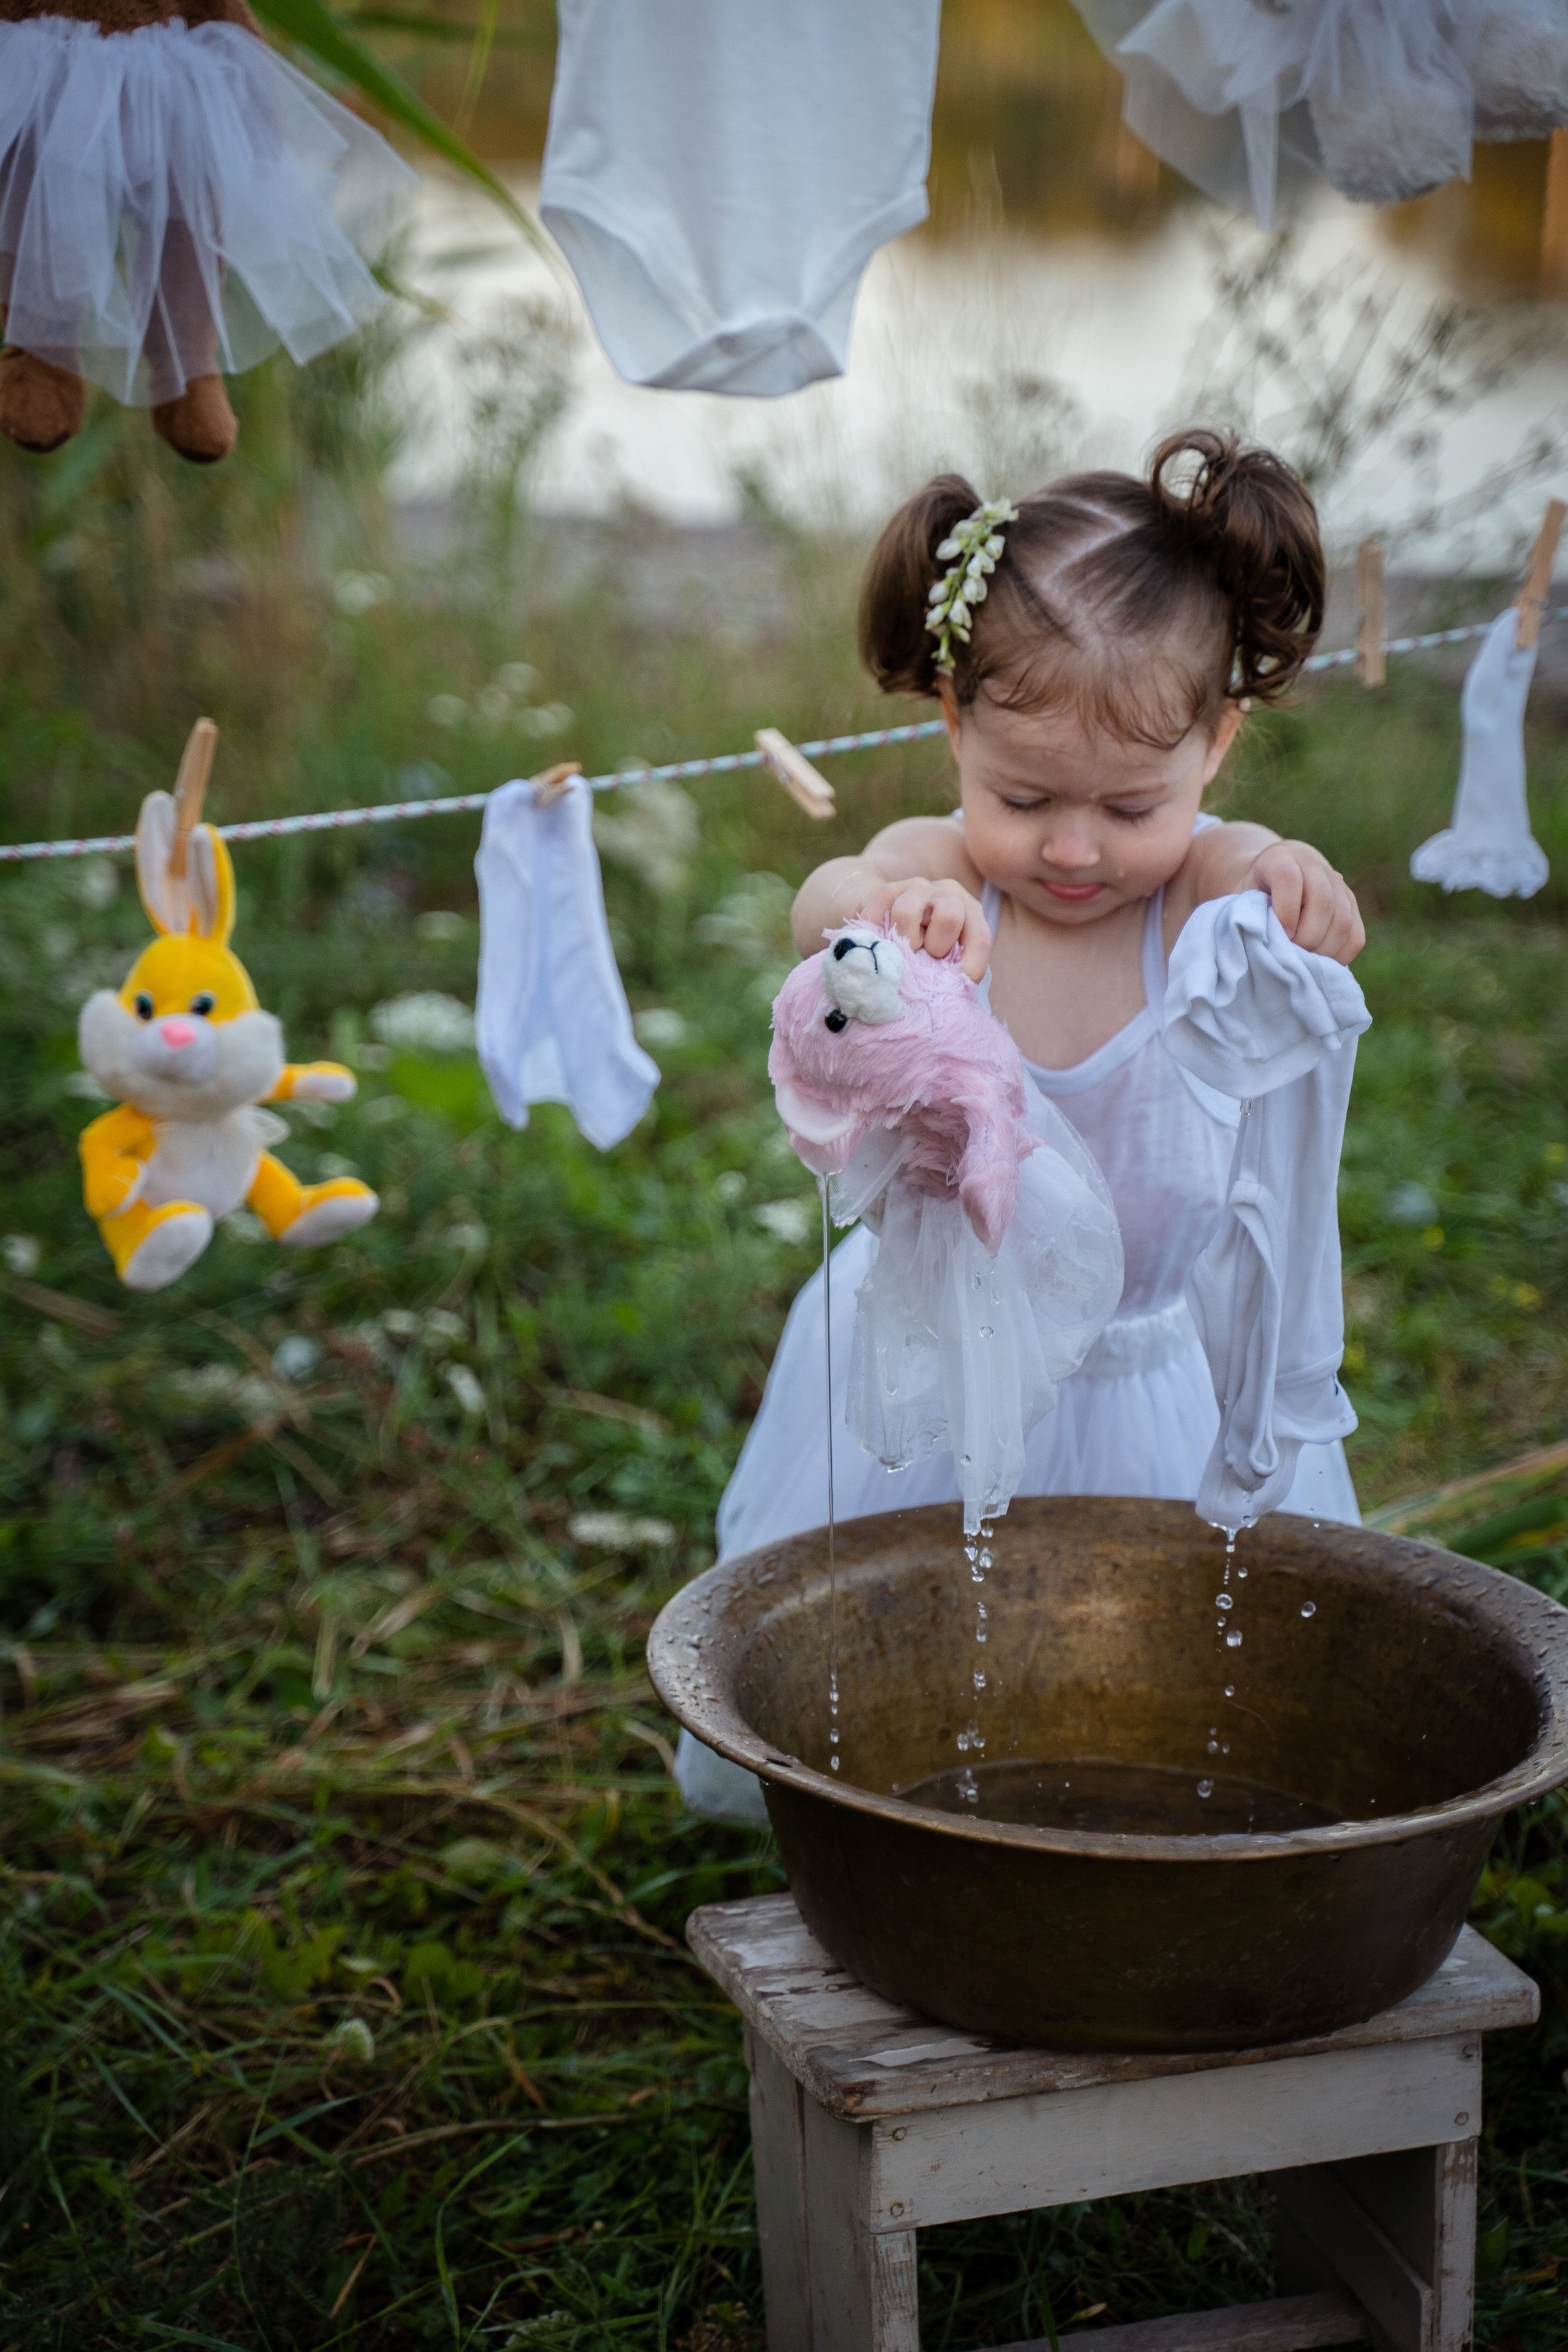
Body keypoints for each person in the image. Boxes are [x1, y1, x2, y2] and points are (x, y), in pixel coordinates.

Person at [677, 429, 1365, 1822]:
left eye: (1128, 805)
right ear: (951, 731)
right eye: (1021, 797)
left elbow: (1243, 864)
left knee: (1154, 1665)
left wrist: (1287, 871)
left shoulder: (1200, 904)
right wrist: (877, 913)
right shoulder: (945, 883)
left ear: (1215, 745)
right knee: (901, 1642)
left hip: (1141, 1380)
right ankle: (880, 1810)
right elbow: (836, 888)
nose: (1069, 848)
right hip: (942, 1363)